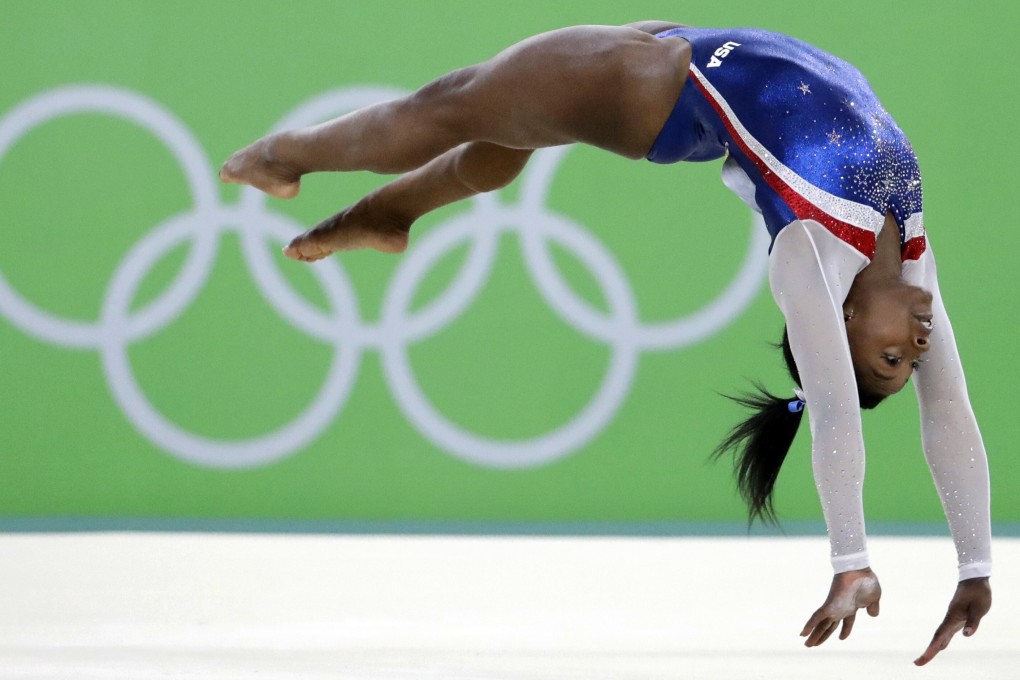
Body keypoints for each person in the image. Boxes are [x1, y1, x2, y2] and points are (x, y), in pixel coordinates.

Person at [219, 22, 991, 665]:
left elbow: (833, 414)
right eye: (908, 363)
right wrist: (976, 566)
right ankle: (392, 213)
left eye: (893, 358)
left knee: (451, 102)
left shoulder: (809, 257)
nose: (920, 346)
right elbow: (949, 410)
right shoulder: (912, 259)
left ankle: (288, 155)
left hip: (658, 85)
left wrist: (849, 559)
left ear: (843, 317)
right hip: (696, 58)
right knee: (505, 129)